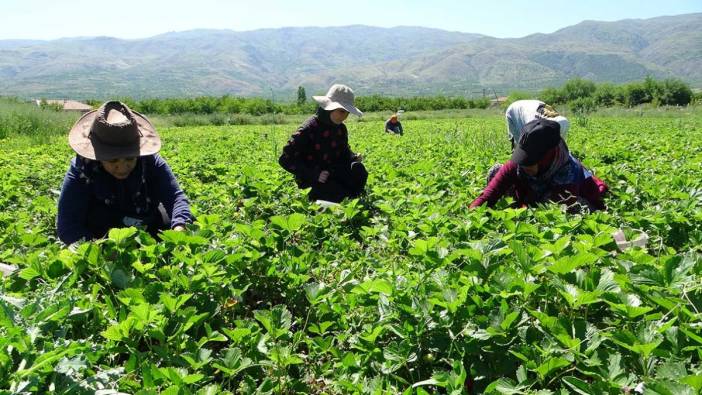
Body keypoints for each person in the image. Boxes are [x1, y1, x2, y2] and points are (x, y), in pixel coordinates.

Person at [57, 101, 194, 245]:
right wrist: (101, 251)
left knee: (183, 221)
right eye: (112, 160)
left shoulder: (150, 161)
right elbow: (68, 226)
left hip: (144, 221)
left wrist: (179, 228)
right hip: (102, 232)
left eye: (130, 158)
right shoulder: (82, 169)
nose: (122, 168)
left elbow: (175, 197)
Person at [470, 118, 607, 212]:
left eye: (530, 161)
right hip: (531, 195)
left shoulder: (568, 174)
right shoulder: (518, 164)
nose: (524, 165)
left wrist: (520, 213)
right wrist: (472, 216)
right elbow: (488, 196)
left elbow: (545, 212)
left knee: (571, 208)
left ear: (546, 158)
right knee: (497, 172)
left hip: (564, 199)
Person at [279, 84, 368, 203]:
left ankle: (351, 198)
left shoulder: (341, 129)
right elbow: (285, 159)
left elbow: (343, 152)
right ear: (329, 107)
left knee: (359, 172)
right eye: (342, 111)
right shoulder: (308, 129)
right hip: (312, 178)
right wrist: (314, 174)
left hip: (333, 171)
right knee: (336, 192)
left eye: (347, 112)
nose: (345, 116)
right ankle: (343, 198)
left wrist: (353, 157)